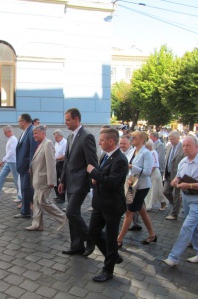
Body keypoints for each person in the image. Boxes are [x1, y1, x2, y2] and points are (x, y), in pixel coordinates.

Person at [163, 135, 198, 267]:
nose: (185, 148)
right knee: (194, 227)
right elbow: (179, 176)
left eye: (188, 145)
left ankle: (173, 257)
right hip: (186, 197)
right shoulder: (183, 161)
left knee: (187, 226)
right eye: (184, 145)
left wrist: (189, 186)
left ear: (196, 147)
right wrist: (175, 181)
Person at [86, 128, 128, 282]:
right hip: (100, 202)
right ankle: (113, 255)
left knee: (111, 239)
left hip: (112, 205)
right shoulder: (105, 155)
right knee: (93, 231)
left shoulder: (120, 160)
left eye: (102, 140)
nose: (99, 142)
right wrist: (95, 178)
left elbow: (111, 182)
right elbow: (103, 175)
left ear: (111, 141)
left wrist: (93, 173)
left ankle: (108, 270)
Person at [58, 108, 98, 256]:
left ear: (76, 119)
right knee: (73, 214)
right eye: (65, 119)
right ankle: (76, 245)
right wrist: (62, 180)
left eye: (68, 119)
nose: (66, 122)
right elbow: (67, 162)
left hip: (81, 182)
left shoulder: (87, 136)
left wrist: (93, 181)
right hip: (70, 181)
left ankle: (91, 239)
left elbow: (92, 161)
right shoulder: (69, 137)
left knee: (71, 212)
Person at [117, 131, 157, 247]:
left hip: (141, 187)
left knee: (129, 211)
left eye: (135, 137)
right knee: (142, 210)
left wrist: (132, 167)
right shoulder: (132, 151)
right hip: (132, 184)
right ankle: (152, 235)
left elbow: (148, 172)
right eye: (132, 137)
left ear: (142, 140)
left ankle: (119, 239)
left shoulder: (146, 153)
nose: (132, 138)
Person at [25, 125, 66, 231]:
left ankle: (62, 217)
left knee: (43, 201)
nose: (34, 135)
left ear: (43, 133)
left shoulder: (48, 143)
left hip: (44, 181)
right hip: (37, 180)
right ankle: (37, 224)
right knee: (36, 202)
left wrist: (51, 181)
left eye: (36, 133)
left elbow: (51, 163)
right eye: (33, 133)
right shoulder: (40, 144)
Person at [14, 114, 38, 218]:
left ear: (23, 121)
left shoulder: (31, 131)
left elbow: (33, 151)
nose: (18, 123)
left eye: (19, 121)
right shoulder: (25, 131)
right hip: (23, 166)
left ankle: (26, 211)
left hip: (27, 167)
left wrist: (30, 166)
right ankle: (29, 208)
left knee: (25, 188)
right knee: (26, 188)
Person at [163, 131, 185, 220]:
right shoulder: (169, 146)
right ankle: (177, 205)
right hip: (168, 174)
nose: (170, 141)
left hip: (178, 175)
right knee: (165, 191)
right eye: (169, 139)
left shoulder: (182, 148)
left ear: (178, 138)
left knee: (176, 194)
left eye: (172, 139)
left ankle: (174, 213)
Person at [143, 140, 167, 210]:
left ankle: (149, 205)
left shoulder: (153, 152)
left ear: (150, 147)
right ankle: (161, 202)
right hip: (148, 173)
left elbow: (154, 165)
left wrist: (148, 174)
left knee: (154, 189)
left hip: (154, 173)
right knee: (155, 190)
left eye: (147, 147)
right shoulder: (146, 153)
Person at [53, 129, 67, 203]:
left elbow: (65, 155)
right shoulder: (56, 143)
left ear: (61, 136)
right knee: (54, 179)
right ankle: (58, 195)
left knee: (62, 180)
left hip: (62, 163)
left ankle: (62, 198)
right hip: (57, 163)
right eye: (55, 137)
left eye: (56, 137)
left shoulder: (65, 143)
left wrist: (55, 158)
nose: (55, 139)